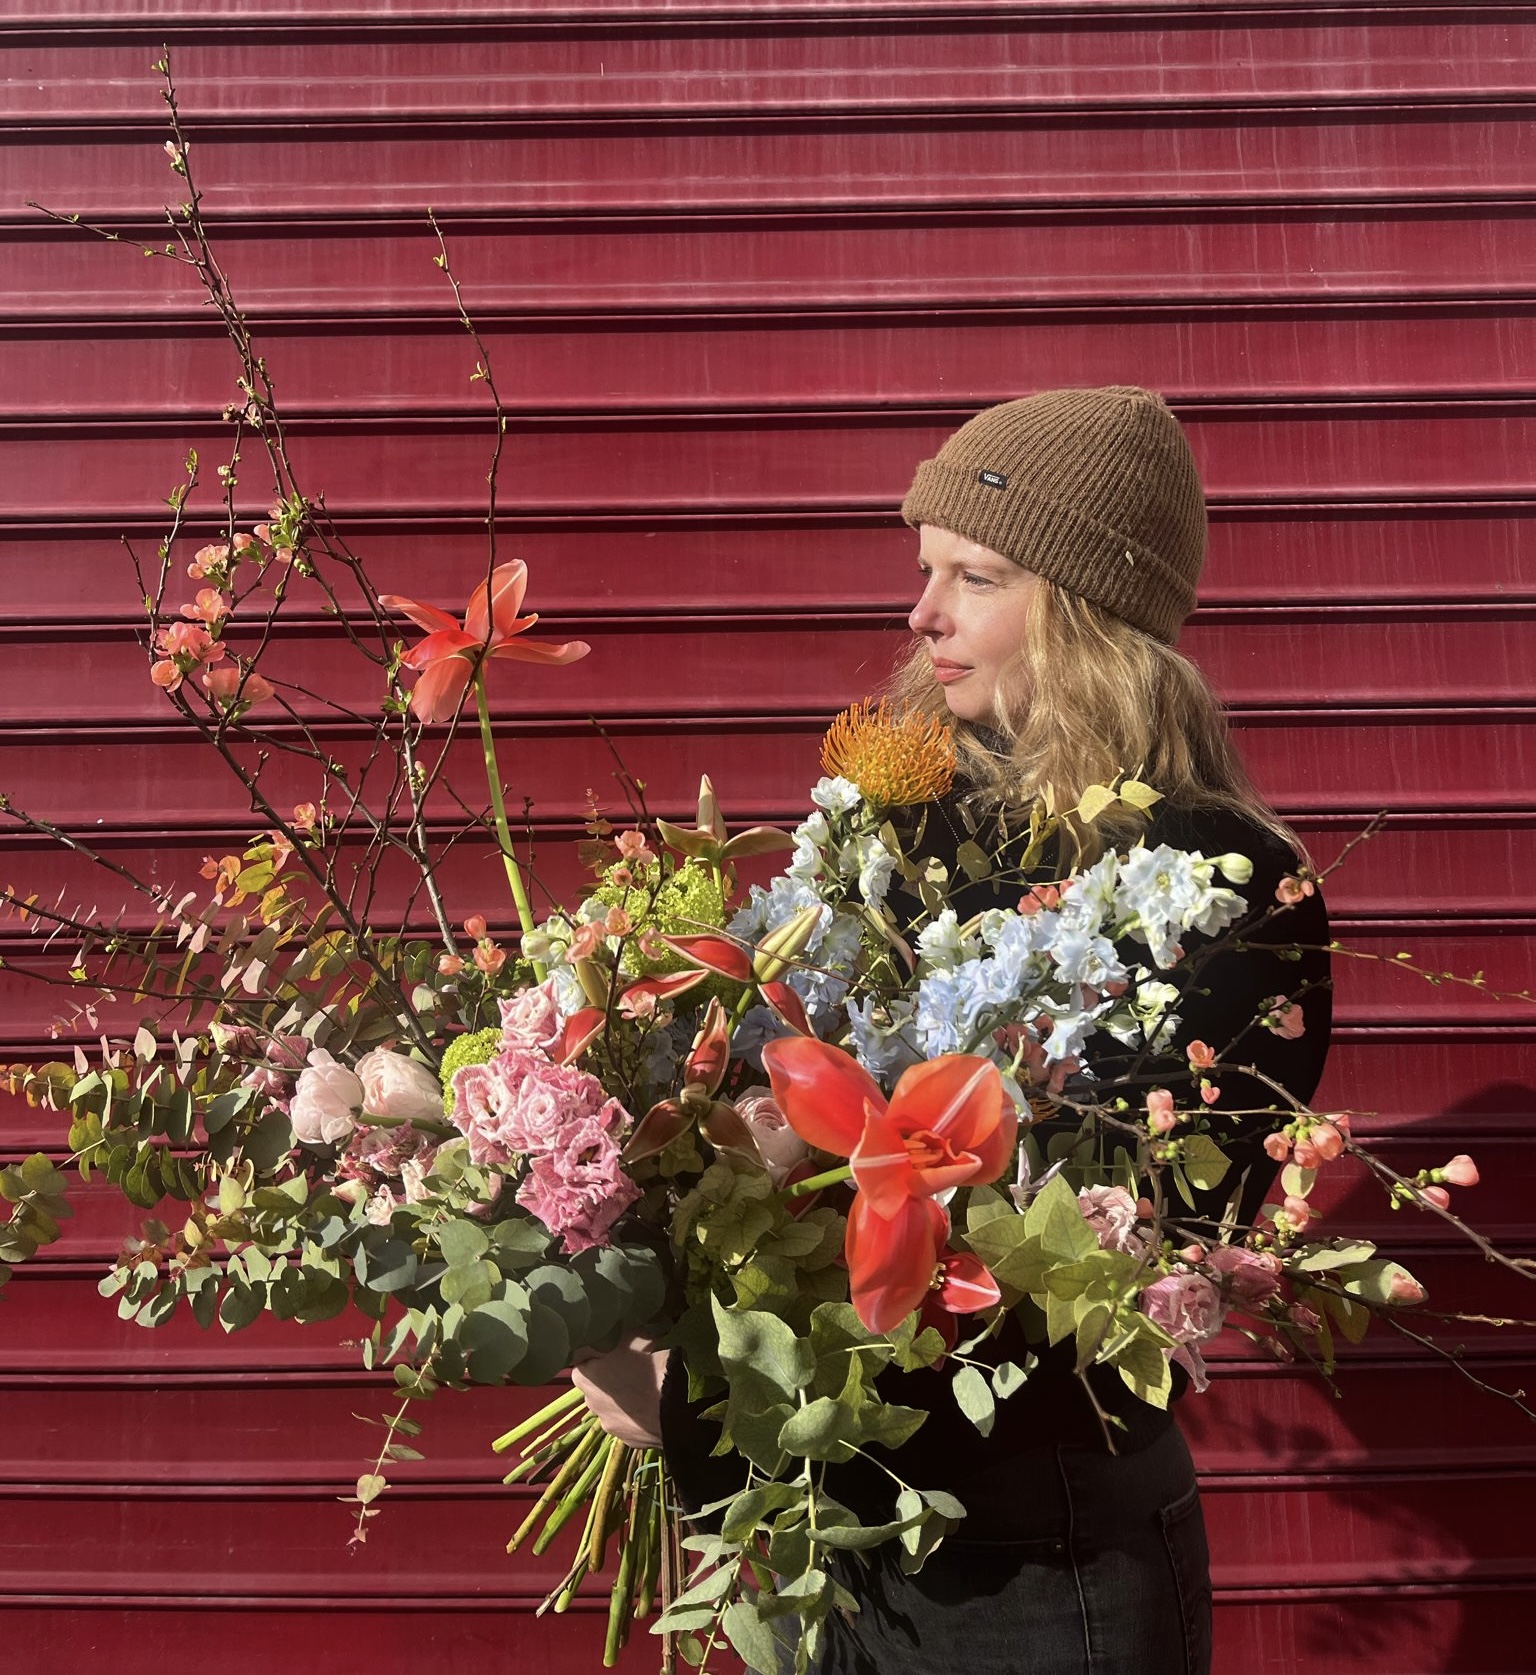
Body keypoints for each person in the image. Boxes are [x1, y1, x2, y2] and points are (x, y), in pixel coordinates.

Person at [575, 387, 1332, 1674]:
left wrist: (711, 1395)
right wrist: (628, 1251)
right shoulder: (899, 837)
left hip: (1041, 1559)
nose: (922, 615)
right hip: (849, 1542)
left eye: (972, 577)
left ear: (1091, 615)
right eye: (925, 571)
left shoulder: (1232, 887)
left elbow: (1107, 1255)